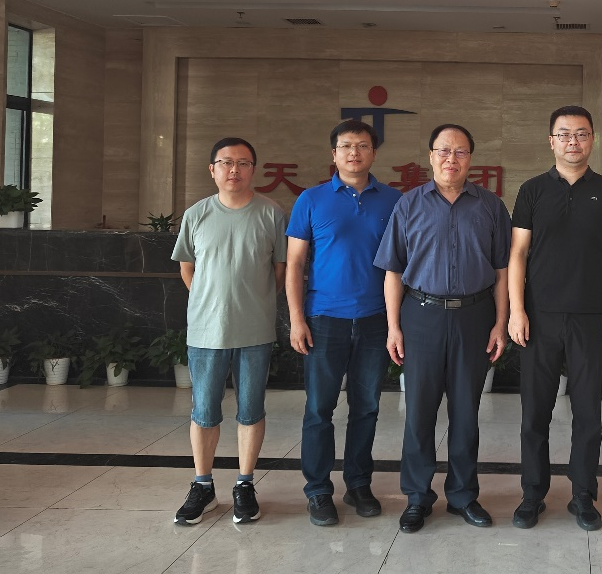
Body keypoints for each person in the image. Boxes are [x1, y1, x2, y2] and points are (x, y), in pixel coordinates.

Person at [375, 123, 511, 533]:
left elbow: (503, 272)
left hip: (475, 316)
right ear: (431, 156)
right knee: (419, 411)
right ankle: (417, 497)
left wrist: (500, 323)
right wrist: (393, 327)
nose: (452, 159)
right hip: (421, 316)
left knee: (466, 412)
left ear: (471, 159)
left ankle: (463, 496)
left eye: (460, 152)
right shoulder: (409, 204)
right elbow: (393, 270)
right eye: (444, 151)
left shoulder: (490, 206)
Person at [508, 105, 602, 531]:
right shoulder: (532, 190)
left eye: (581, 134)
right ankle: (532, 494)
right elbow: (517, 254)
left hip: (592, 317)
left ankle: (583, 495)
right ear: (551, 141)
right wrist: (517, 310)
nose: (572, 141)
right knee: (534, 412)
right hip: (539, 317)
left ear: (592, 139)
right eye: (564, 134)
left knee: (588, 413)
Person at [286, 119, 402, 527]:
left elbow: (402, 264)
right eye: (346, 146)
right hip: (324, 320)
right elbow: (295, 263)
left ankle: (358, 483)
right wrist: (296, 319)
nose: (355, 152)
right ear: (333, 153)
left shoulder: (394, 201)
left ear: (374, 153)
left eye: (363, 146)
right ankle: (318, 490)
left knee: (366, 407)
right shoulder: (311, 199)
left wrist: (396, 322)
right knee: (319, 409)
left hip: (374, 319)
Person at [172, 137, 287, 526]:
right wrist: (210, 301)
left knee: (250, 409)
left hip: (255, 331)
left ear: (254, 169)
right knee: (204, 411)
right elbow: (187, 268)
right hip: (206, 333)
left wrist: (251, 303)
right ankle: (202, 485)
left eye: (243, 163)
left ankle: (244, 484)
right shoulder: (197, 214)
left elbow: (279, 271)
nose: (234, 170)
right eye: (225, 162)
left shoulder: (271, 214)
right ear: (212, 170)